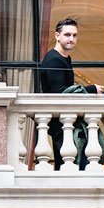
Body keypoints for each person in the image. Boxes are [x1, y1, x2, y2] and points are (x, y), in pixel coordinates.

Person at [36, 18, 78, 163]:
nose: (71, 39)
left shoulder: (65, 58)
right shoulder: (54, 59)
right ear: (57, 36)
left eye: (74, 35)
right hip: (60, 123)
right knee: (66, 165)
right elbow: (61, 92)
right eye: (67, 35)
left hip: (65, 121)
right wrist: (91, 89)